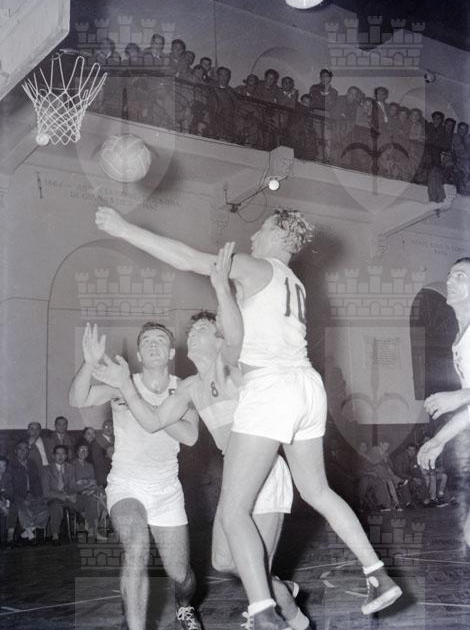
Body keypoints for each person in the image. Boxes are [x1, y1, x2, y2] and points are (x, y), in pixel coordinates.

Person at [94, 206, 403, 629]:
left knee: (235, 509)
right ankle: (377, 574)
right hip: (306, 386)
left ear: (278, 233)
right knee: (317, 490)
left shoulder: (258, 267)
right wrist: (225, 293)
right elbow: (238, 338)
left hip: (271, 387)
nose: (253, 236)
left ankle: (262, 613)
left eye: (260, 228)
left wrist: (124, 229)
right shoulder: (294, 283)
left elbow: (186, 258)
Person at [92, 244, 310, 630]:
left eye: (202, 330)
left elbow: (236, 332)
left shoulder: (235, 367)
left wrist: (223, 289)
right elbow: (153, 421)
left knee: (255, 568)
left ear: (220, 339)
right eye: (190, 331)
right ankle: (283, 595)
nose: (191, 335)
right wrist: (125, 385)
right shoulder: (190, 387)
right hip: (236, 473)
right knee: (225, 563)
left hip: (262, 469)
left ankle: (287, 617)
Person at [69, 322, 202, 630]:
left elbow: (190, 436)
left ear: (171, 353)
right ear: (139, 354)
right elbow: (77, 398)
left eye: (160, 340)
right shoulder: (123, 383)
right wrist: (89, 363)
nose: (153, 344)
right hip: (126, 484)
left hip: (167, 490)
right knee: (136, 547)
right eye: (146, 341)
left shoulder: (184, 389)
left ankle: (185, 606)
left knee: (181, 576)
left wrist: (143, 405)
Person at [418, 258, 470, 545]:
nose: (450, 280)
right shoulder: (459, 339)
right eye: (450, 275)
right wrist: (439, 440)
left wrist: (459, 396)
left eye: (460, 276)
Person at [42, 444, 100, 545]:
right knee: (56, 505)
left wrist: (83, 489)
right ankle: (55, 535)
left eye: (63, 454)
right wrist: (65, 496)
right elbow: (46, 492)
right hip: (54, 498)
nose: (60, 456)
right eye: (58, 454)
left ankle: (91, 531)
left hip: (69, 497)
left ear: (66, 456)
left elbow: (73, 487)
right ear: (53, 456)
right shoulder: (46, 469)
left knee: (90, 499)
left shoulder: (70, 468)